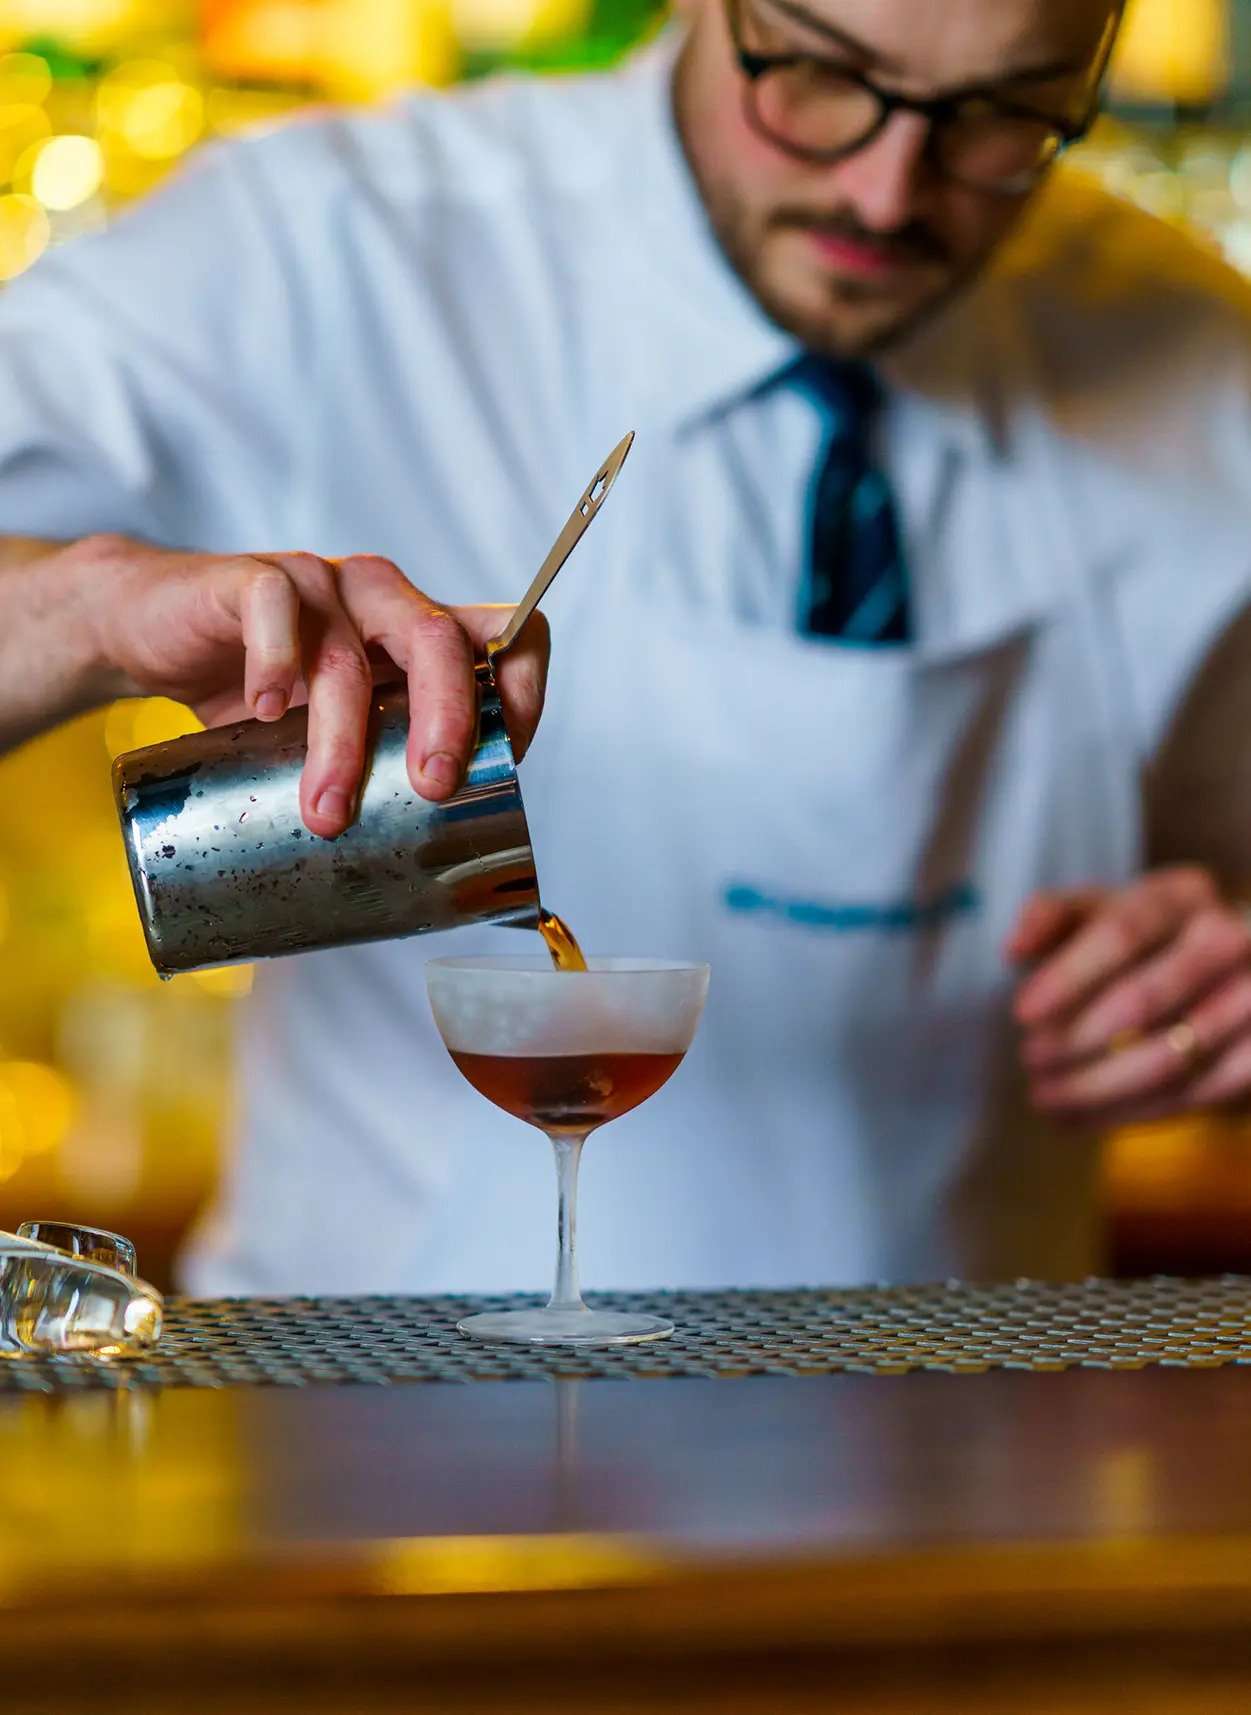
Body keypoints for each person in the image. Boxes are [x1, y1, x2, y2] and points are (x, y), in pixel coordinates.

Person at [2, 0, 1251, 1293]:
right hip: (363, 1443)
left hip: (968, 1445)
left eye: (1003, 112)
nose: (887, 192)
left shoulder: (1207, 368)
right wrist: (91, 608)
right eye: (820, 75)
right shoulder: (329, 241)